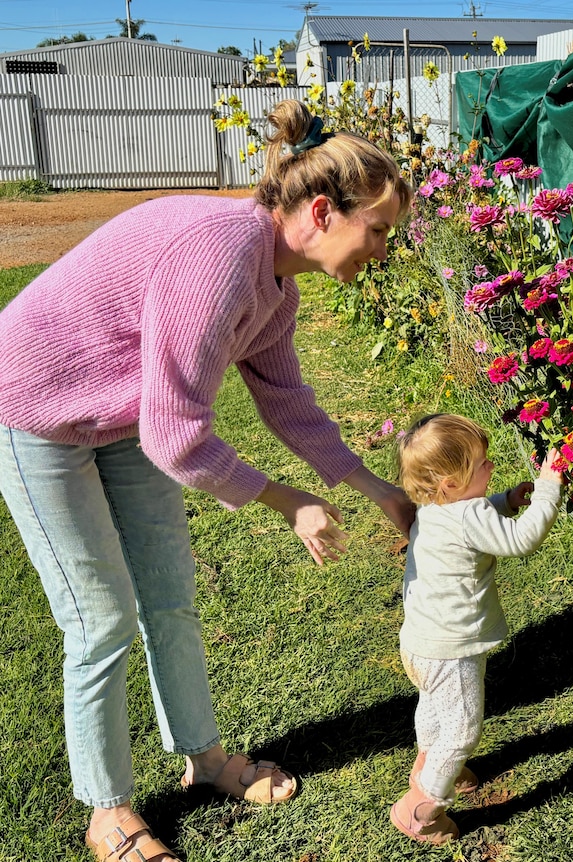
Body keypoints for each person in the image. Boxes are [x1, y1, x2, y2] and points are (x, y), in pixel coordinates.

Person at [0, 100, 414, 862]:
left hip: (120, 416)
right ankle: (109, 814)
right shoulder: (220, 257)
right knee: (101, 621)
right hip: (33, 409)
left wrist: (377, 491)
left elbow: (288, 404)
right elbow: (177, 436)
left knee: (169, 598)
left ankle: (205, 758)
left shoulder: (276, 288)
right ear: (322, 212)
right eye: (380, 229)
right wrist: (289, 501)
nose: (383, 250)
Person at [390, 413, 562, 845]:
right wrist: (547, 488)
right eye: (481, 463)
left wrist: (504, 499)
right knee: (463, 726)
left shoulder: (432, 509)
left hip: (419, 642)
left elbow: (474, 518)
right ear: (449, 481)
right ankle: (423, 807)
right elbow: (521, 540)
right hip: (453, 650)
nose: (490, 466)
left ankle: (430, 764)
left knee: (433, 706)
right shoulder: (466, 515)